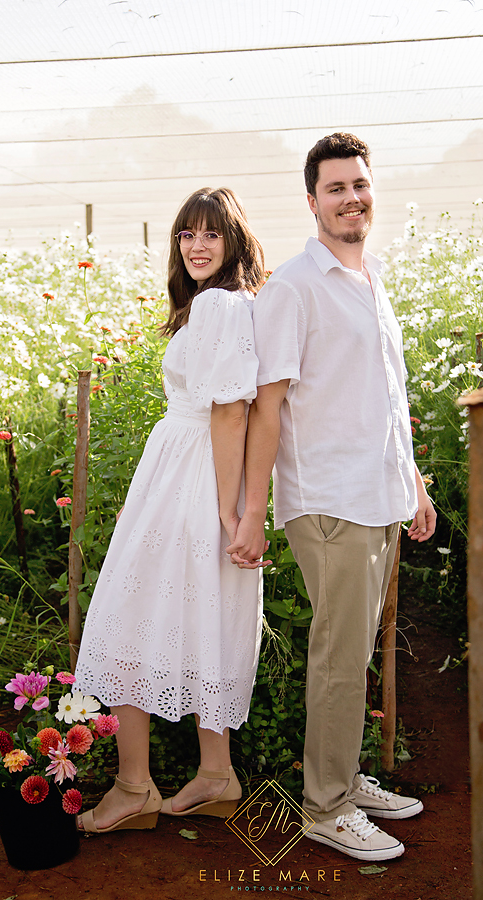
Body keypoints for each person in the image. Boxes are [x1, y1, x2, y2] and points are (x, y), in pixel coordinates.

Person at [228, 133, 436, 861]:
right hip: (329, 501)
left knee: (355, 652)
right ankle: (326, 807)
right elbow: (267, 407)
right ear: (312, 201)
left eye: (360, 185)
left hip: (377, 494)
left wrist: (412, 483)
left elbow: (385, 397)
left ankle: (344, 779)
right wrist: (255, 513)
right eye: (336, 188)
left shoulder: (371, 278)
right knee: (340, 657)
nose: (352, 198)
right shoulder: (293, 287)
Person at [74, 187, 266, 833]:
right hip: (188, 471)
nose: (197, 245)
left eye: (212, 233)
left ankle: (135, 786)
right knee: (200, 616)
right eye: (187, 233)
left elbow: (230, 411)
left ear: (235, 240)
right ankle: (215, 773)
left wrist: (227, 510)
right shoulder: (231, 304)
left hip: (194, 477)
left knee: (128, 619)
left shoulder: (218, 305)